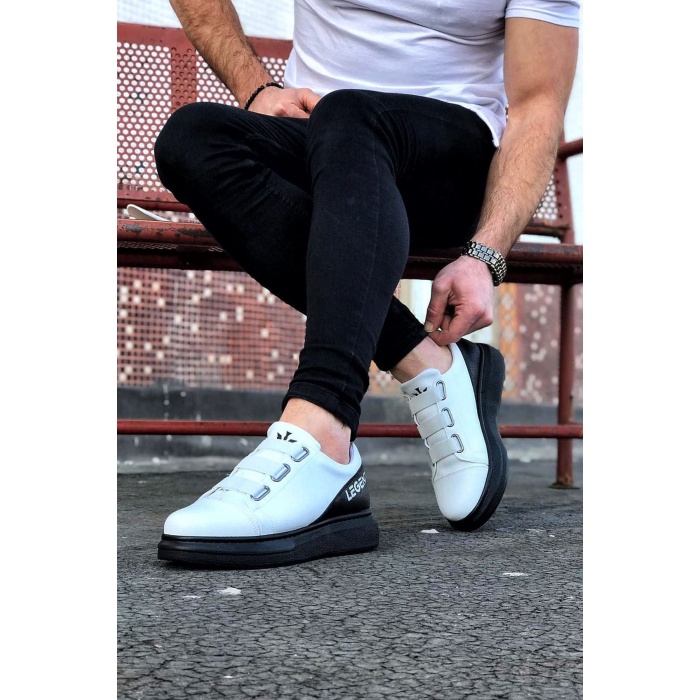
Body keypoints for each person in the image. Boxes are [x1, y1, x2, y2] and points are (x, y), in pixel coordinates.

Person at [154, 0, 580, 568]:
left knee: (351, 112)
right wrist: (256, 88)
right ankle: (429, 362)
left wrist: (485, 255)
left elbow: (537, 103)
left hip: (449, 160)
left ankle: (324, 435)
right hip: (320, 144)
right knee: (193, 137)